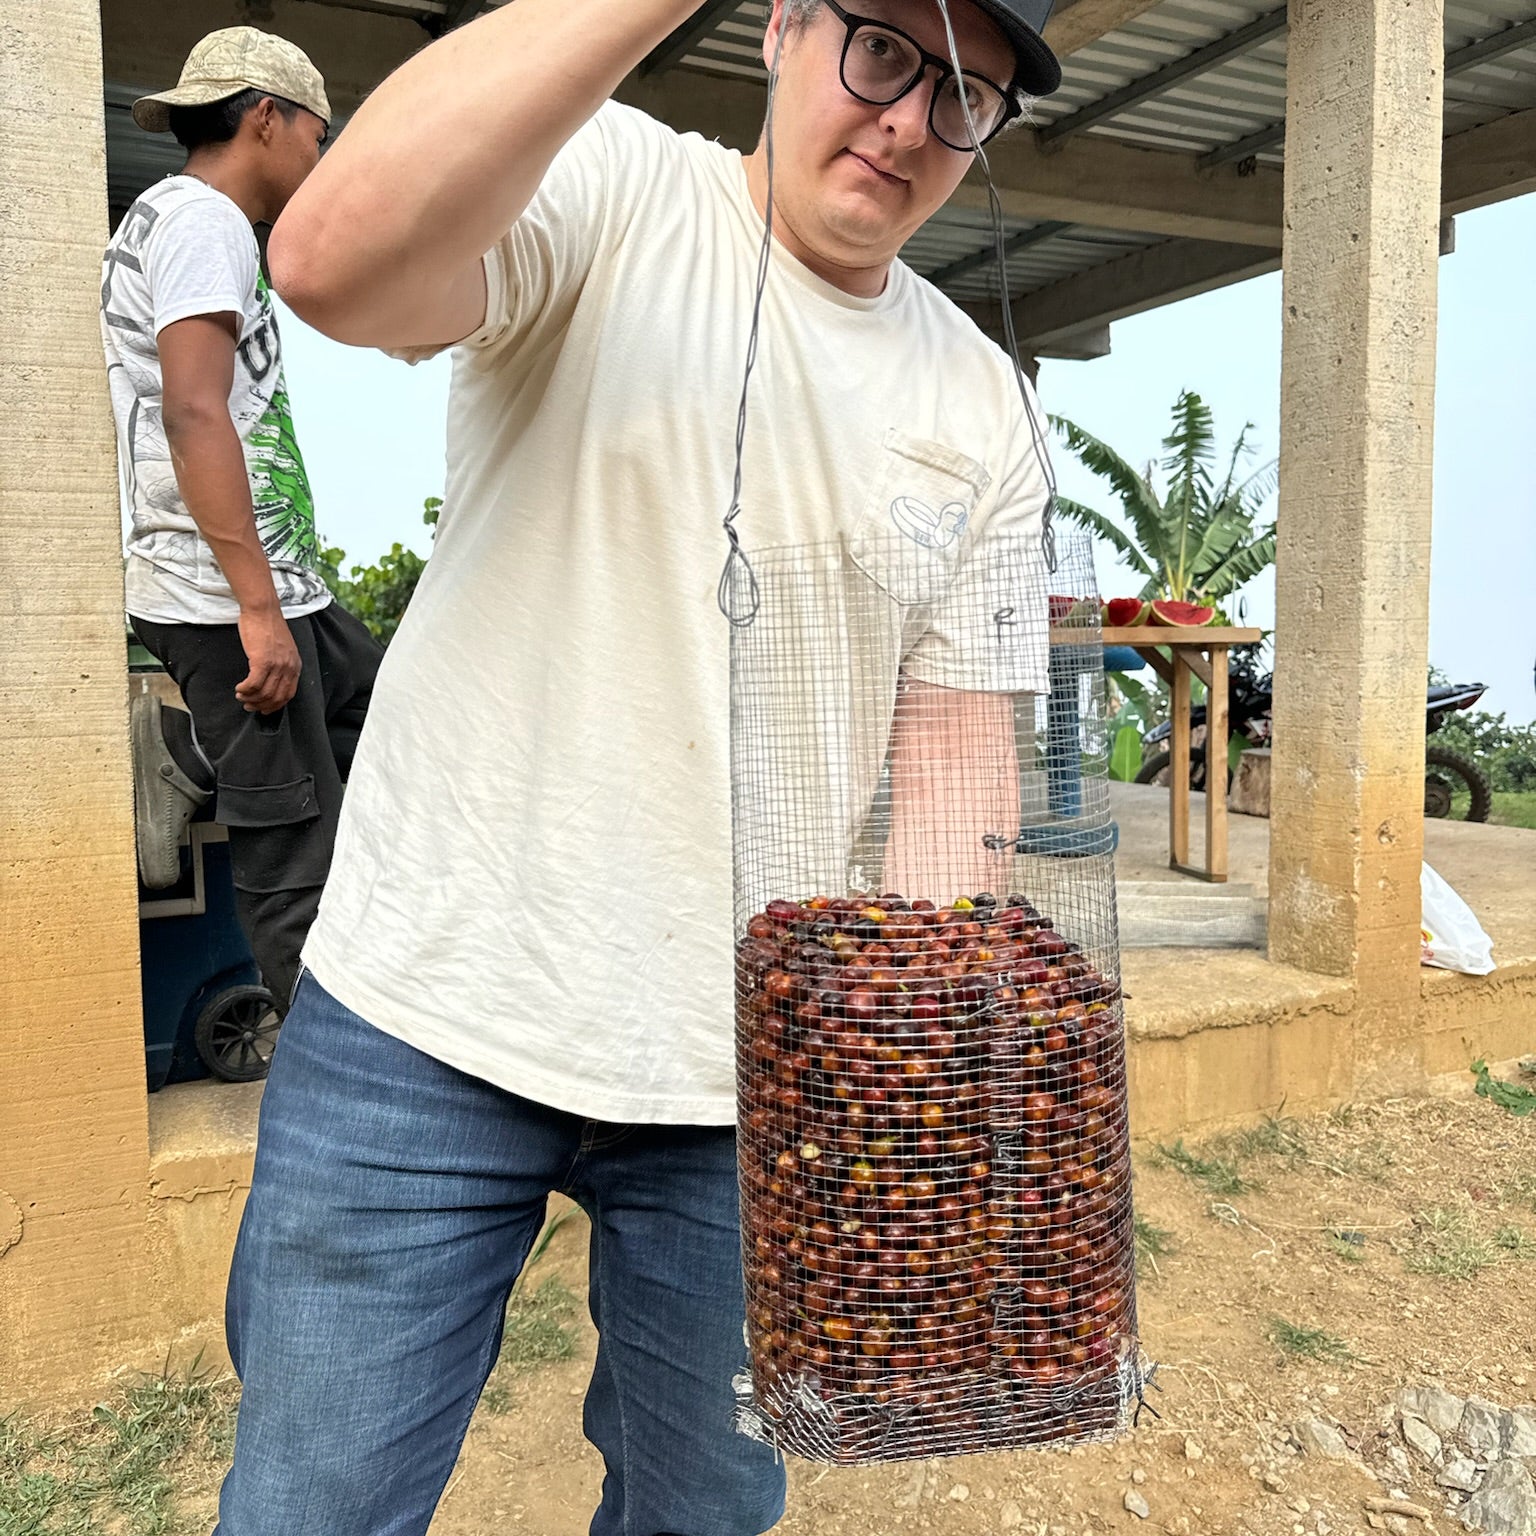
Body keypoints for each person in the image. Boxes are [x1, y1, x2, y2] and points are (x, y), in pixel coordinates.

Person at [215, 1, 1063, 1532]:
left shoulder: (980, 402)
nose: (908, 123)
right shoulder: (609, 183)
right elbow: (329, 263)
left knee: (705, 1512)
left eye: (968, 99)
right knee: (311, 1502)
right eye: (884, 52)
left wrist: (922, 1077)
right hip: (430, 1005)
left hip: (750, 1077)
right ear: (784, 28)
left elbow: (953, 749)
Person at [102, 27, 383, 1013]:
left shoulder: (205, 228)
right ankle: (335, 1092)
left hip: (276, 587)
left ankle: (187, 755)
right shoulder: (199, 221)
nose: (319, 157)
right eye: (317, 134)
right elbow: (192, 408)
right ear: (265, 117)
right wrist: (255, 611)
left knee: (401, 719)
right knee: (290, 853)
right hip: (223, 600)